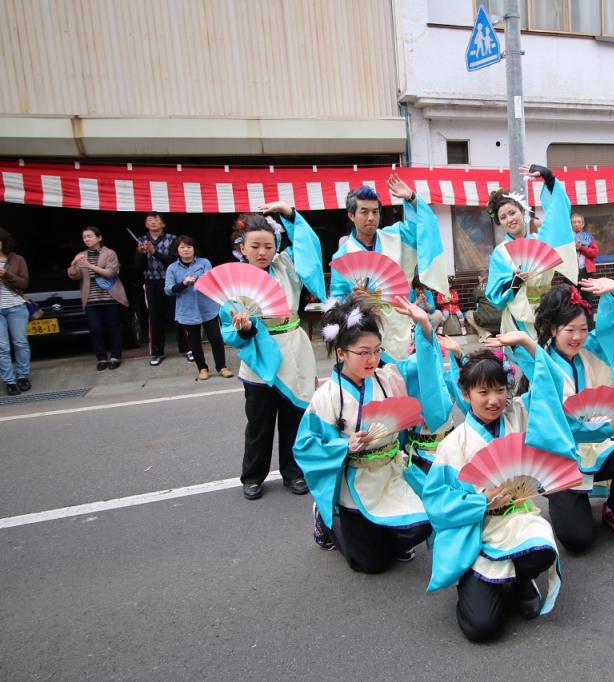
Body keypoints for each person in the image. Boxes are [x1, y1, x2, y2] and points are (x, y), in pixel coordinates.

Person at [422, 336, 577, 642]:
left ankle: (522, 579)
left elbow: (551, 388)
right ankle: (473, 580)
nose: (493, 399)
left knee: (543, 547)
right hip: (477, 531)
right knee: (482, 628)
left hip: (518, 518)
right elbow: (436, 502)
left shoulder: (519, 414)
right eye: (483, 392)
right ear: (466, 394)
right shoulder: (454, 445)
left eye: (500, 390)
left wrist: (526, 343)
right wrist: (480, 502)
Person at [294, 295, 450, 572]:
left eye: (377, 350)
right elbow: (307, 446)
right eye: (363, 352)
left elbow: (425, 370)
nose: (373, 359)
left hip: (391, 476)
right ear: (342, 353)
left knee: (424, 523)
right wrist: (344, 445)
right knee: (371, 564)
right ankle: (327, 518)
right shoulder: (326, 397)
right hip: (354, 483)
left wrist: (424, 324)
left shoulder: (390, 377)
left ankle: (389, 536)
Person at [529, 279, 614, 552]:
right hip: (561, 456)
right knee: (579, 541)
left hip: (594, 448)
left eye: (584, 329)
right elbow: (557, 427)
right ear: (552, 329)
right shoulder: (543, 368)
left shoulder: (587, 351)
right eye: (569, 329)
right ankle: (564, 501)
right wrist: (607, 429)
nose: (578, 336)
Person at [222, 203, 325, 501]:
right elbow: (228, 326)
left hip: (293, 348)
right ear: (243, 248)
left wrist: (289, 214)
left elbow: (309, 249)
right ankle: (253, 475)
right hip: (258, 355)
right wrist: (243, 329)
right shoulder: (234, 280)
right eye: (255, 246)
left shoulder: (286, 266)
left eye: (269, 245)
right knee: (259, 422)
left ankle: (294, 472)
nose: (262, 252)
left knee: (295, 417)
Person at [330, 176, 446, 361]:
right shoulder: (342, 257)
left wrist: (411, 198)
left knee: (406, 384)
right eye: (364, 212)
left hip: (401, 325)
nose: (371, 218)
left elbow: (423, 230)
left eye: (375, 212)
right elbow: (336, 302)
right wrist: (352, 299)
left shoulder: (397, 236)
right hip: (365, 333)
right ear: (351, 215)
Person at [486, 163, 576, 336]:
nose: (509, 219)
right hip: (517, 317)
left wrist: (549, 180)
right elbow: (494, 295)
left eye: (512, 213)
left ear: (523, 212)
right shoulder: (501, 252)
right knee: (524, 360)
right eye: (503, 217)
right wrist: (515, 282)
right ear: (500, 223)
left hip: (546, 312)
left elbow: (559, 216)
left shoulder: (540, 241)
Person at [164, 236, 232, 381]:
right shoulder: (172, 268)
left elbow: (211, 281)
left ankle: (222, 367)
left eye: (189, 247)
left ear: (194, 249)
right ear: (177, 250)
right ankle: (202, 368)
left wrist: (199, 281)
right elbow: (168, 290)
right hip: (187, 309)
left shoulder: (204, 262)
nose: (186, 250)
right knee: (194, 341)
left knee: (215, 338)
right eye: (182, 247)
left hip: (208, 306)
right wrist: (183, 283)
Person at [68, 227, 129, 371]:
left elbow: (110, 273)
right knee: (94, 329)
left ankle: (115, 356)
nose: (87, 239)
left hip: (110, 296)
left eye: (90, 236)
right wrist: (73, 264)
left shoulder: (109, 253)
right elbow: (74, 276)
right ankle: (101, 358)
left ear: (99, 238)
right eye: (84, 237)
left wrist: (89, 265)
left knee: (114, 327)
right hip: (90, 298)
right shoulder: (81, 255)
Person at [135, 213, 187, 366]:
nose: (153, 222)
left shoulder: (172, 239)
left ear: (163, 224)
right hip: (151, 283)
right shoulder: (141, 240)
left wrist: (154, 252)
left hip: (171, 282)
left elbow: (173, 261)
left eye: (157, 220)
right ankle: (157, 353)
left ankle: (186, 349)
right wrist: (141, 254)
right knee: (155, 317)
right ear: (146, 224)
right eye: (149, 220)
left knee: (178, 315)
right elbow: (137, 267)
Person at [0, 228, 31, 395]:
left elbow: (24, 283)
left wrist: (6, 274)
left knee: (20, 343)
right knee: (2, 347)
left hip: (16, 306)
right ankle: (9, 381)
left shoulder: (17, 259)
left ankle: (23, 377)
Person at [573, 212, 599, 311]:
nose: (576, 224)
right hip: (572, 274)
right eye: (574, 222)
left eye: (578, 222)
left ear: (583, 224)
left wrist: (582, 248)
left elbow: (595, 253)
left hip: (586, 273)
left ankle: (590, 325)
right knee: (572, 301)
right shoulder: (568, 238)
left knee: (587, 301)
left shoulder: (589, 237)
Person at [465, 271, 500, 340]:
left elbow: (475, 300)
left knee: (468, 314)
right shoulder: (498, 283)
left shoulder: (479, 287)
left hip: (485, 320)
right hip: (501, 320)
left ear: (479, 277)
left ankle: (485, 334)